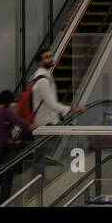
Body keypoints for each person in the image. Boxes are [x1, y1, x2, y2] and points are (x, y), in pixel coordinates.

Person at [27, 49, 87, 179]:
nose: (51, 59)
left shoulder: (39, 76)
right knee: (40, 155)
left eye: (51, 56)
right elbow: (51, 103)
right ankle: (39, 180)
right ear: (40, 62)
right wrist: (72, 109)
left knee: (40, 153)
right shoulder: (42, 80)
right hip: (46, 122)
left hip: (44, 121)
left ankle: (39, 179)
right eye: (47, 57)